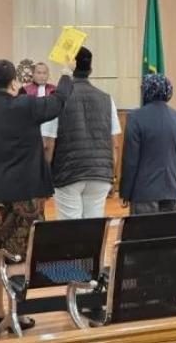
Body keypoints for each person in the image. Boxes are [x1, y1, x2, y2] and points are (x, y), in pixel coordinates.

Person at [0, 59, 73, 333]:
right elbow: (58, 102)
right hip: (25, 194)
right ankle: (16, 315)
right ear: (13, 83)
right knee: (18, 256)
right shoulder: (26, 105)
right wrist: (66, 74)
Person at [43, 46, 121, 219]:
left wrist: (46, 177)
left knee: (71, 229)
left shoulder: (56, 99)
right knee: (94, 227)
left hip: (68, 173)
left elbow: (48, 145)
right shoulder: (107, 99)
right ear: (90, 70)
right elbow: (115, 145)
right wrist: (112, 176)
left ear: (69, 68)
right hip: (100, 173)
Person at [119, 73, 176, 215]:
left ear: (145, 91)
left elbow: (130, 161)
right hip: (173, 192)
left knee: (145, 231)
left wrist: (125, 193)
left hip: (143, 194)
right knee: (171, 230)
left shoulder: (135, 118)